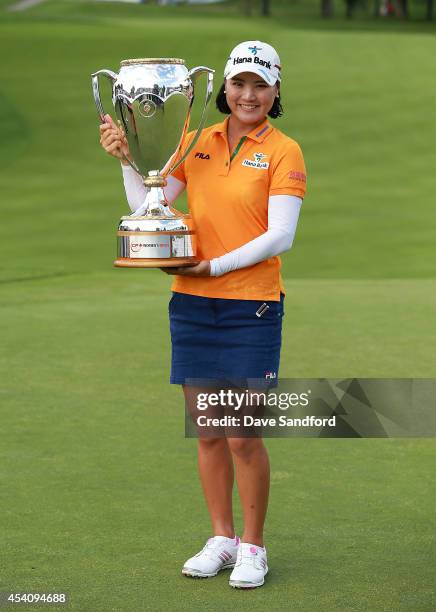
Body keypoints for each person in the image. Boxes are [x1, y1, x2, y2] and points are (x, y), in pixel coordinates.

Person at [99, 41, 307, 589]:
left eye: (260, 85)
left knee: (242, 434)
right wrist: (128, 160)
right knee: (210, 432)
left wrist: (213, 268)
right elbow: (153, 204)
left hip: (252, 305)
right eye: (239, 83)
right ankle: (222, 537)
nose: (248, 94)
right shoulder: (198, 141)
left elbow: (280, 233)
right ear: (225, 88)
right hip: (192, 306)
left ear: (276, 90)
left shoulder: (284, 150)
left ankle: (254, 546)